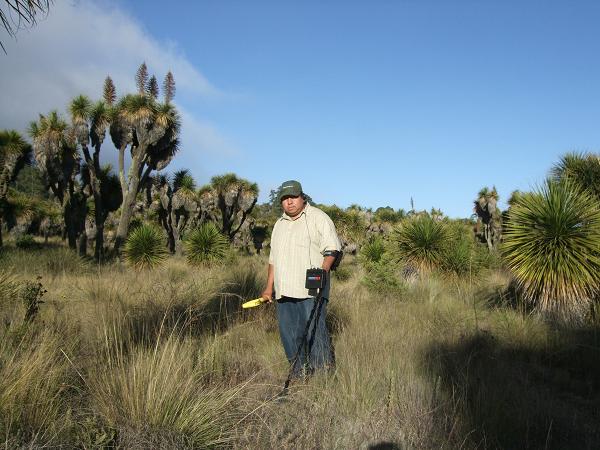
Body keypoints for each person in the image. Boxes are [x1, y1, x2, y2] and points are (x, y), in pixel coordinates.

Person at [262, 180, 341, 377]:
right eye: (285, 198)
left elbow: (332, 250)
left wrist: (321, 274)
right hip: (283, 291)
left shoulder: (318, 218)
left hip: (310, 290)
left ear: (302, 197)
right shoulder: (279, 225)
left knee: (315, 333)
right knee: (289, 336)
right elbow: (273, 260)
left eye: (293, 197)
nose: (289, 202)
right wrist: (268, 288)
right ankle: (299, 374)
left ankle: (323, 376)